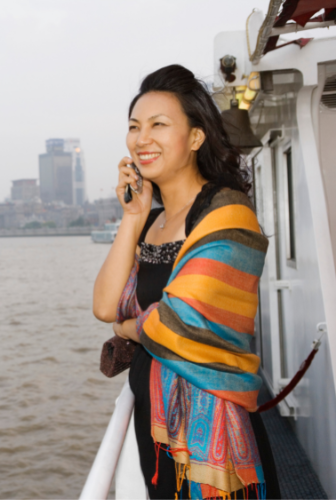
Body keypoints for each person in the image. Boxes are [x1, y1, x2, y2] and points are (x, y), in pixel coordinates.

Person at [93, 65, 280, 499]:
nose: (142, 139)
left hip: (214, 443)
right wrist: (133, 216)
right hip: (156, 431)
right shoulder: (152, 222)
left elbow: (175, 323)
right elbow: (104, 305)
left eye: (159, 124)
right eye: (135, 126)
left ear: (196, 138)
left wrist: (126, 327)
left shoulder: (227, 216)